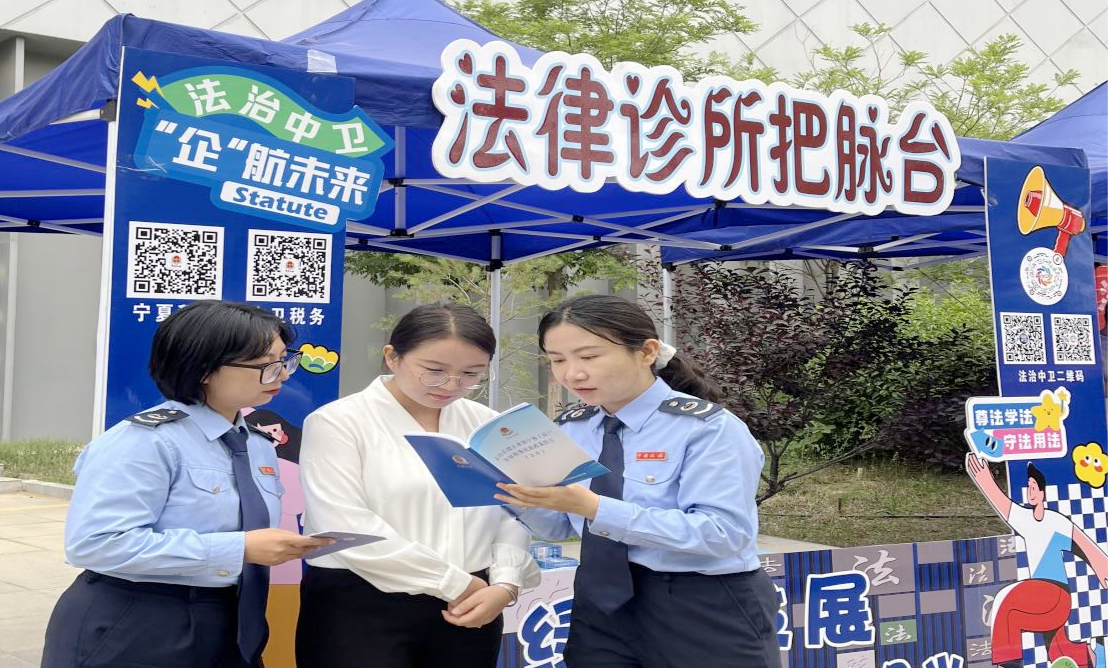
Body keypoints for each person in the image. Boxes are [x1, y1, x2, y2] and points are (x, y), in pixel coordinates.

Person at [41, 300, 332, 668]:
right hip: (138, 618)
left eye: (284, 361)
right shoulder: (146, 441)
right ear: (205, 368)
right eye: (265, 366)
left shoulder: (257, 444)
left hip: (231, 619)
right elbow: (95, 543)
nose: (283, 376)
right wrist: (239, 548)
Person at [495, 294, 780, 668]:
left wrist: (596, 508)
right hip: (599, 604)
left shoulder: (708, 429)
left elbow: (724, 533)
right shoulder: (571, 428)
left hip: (701, 603)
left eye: (589, 357)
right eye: (557, 360)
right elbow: (559, 526)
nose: (572, 374)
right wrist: (513, 495)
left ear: (646, 352)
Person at [296, 302, 541, 668]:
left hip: (475, 602)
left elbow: (512, 510)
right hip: (362, 602)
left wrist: (505, 583)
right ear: (392, 357)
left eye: (471, 374)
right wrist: (454, 583)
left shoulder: (487, 424)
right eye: (434, 371)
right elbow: (344, 525)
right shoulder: (338, 422)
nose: (451, 385)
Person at [967, 456, 1108, 668]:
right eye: (1028, 488)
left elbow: (1082, 542)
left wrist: (1101, 563)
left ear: (1042, 493)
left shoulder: (1054, 521)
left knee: (1005, 604)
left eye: (1033, 487)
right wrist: (985, 481)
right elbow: (1004, 505)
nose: (1030, 492)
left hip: (1055, 595)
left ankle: (1008, 664)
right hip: (1043, 598)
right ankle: (1097, 655)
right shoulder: (1025, 519)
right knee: (1059, 652)